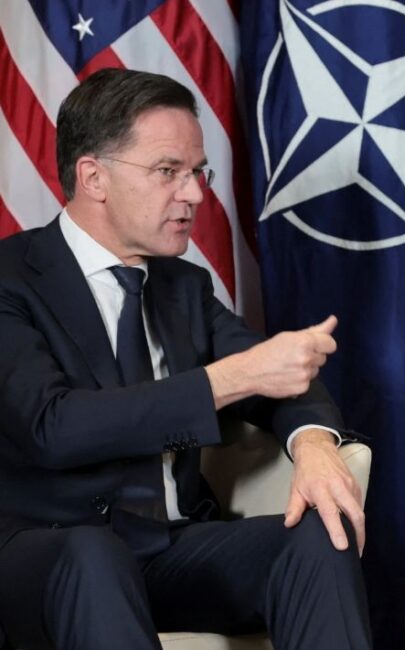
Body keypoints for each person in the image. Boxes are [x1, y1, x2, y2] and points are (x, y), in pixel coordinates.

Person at [0, 69, 372, 649]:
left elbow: (278, 372)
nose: (196, 194)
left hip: (171, 548)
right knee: (93, 555)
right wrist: (223, 380)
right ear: (93, 177)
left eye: (198, 172)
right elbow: (54, 427)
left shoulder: (185, 288)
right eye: (168, 171)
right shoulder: (11, 279)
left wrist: (316, 444)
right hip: (49, 556)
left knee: (321, 534)